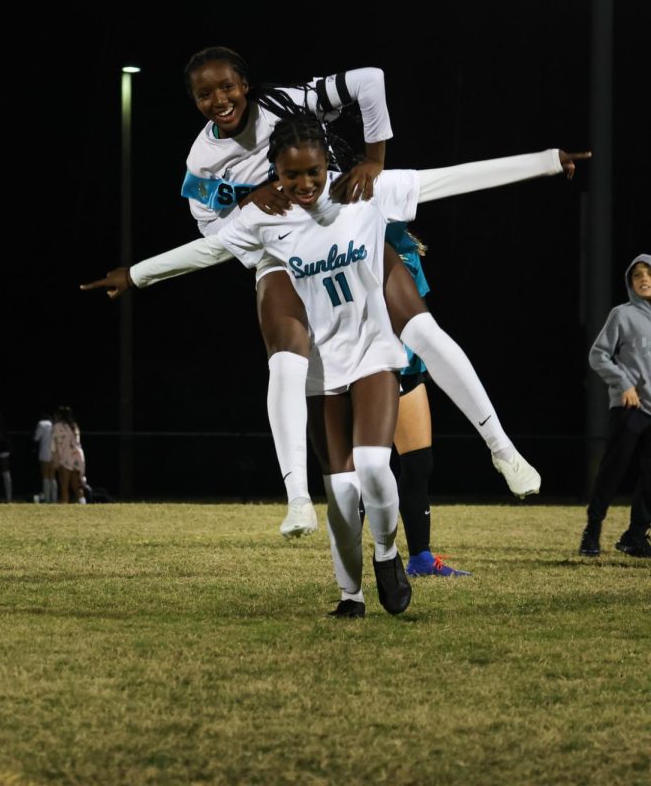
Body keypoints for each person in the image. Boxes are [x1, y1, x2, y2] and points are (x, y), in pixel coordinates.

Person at [90, 114, 586, 615]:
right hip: (323, 365)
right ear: (275, 174)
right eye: (291, 176)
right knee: (344, 493)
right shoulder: (264, 216)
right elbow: (206, 251)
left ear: (328, 163)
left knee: (374, 466)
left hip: (372, 350)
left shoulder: (364, 190)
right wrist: (135, 275)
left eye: (313, 172)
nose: (304, 185)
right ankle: (350, 595)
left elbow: (452, 178)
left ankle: (393, 549)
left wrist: (546, 163)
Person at [85, 47, 542, 536]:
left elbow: (370, 80)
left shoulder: (289, 103)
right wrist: (243, 210)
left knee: (421, 330)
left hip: (343, 227)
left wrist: (373, 160)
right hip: (280, 253)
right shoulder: (202, 161)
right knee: (288, 358)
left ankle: (502, 449)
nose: (219, 100)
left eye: (227, 86)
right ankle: (299, 500)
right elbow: (212, 235)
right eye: (204, 94)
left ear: (245, 82)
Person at [387, 224, 469, 577]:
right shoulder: (344, 230)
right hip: (365, 368)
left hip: (407, 368)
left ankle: (421, 558)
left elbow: (416, 311)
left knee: (419, 465)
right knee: (364, 473)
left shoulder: (403, 241)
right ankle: (357, 562)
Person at [580, 255, 651, 558]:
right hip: (631, 409)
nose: (644, 278)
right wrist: (624, 384)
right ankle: (591, 533)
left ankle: (635, 536)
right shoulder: (622, 314)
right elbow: (598, 355)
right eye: (637, 275)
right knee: (613, 471)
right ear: (630, 282)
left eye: (648, 273)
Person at [51, 406, 86, 504]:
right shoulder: (74, 426)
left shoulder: (57, 427)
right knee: (76, 486)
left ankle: (64, 507)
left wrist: (55, 461)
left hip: (66, 457)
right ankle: (83, 504)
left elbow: (55, 446)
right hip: (78, 456)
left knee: (64, 487)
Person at [33, 415, 55, 503]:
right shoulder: (54, 424)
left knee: (45, 476)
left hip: (44, 451)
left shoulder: (41, 424)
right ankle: (54, 499)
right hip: (54, 452)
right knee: (52, 477)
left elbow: (36, 437)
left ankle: (47, 498)